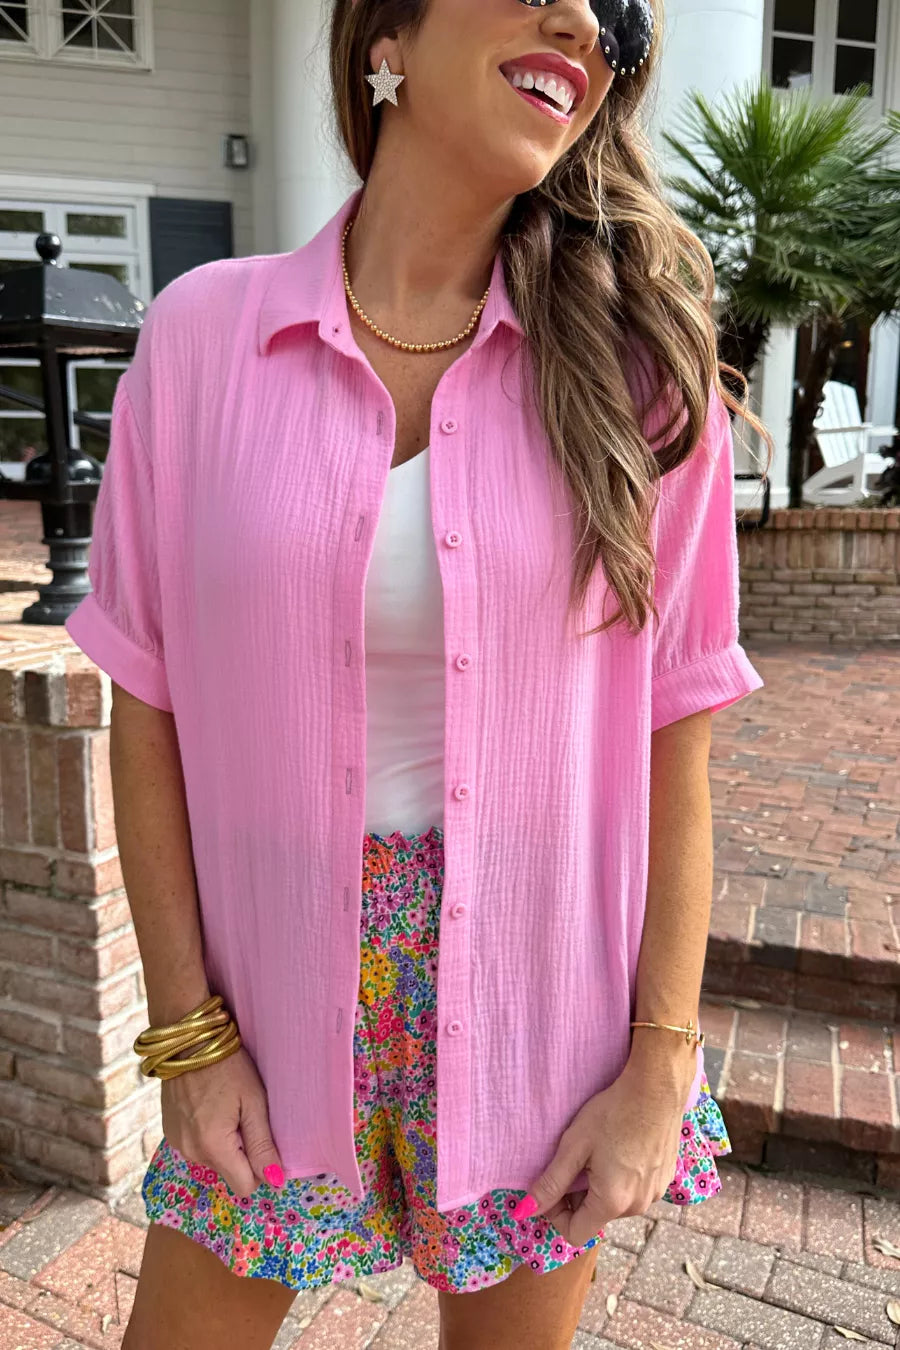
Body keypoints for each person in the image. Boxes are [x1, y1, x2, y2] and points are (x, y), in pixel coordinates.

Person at [64, 0, 771, 1346]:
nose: (583, 17)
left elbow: (675, 738)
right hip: (268, 1005)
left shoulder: (638, 376)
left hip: (538, 1005)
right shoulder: (205, 337)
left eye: (616, 11)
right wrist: (187, 1035)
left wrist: (659, 1062)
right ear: (386, 33)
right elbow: (144, 705)